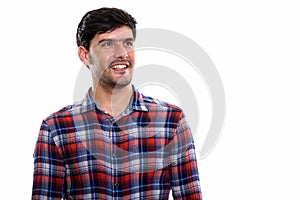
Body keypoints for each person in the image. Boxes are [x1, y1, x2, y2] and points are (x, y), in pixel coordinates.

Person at [32, 7, 202, 199]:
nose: (122, 53)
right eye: (108, 44)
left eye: (128, 43)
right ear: (84, 55)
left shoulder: (171, 121)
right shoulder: (57, 128)